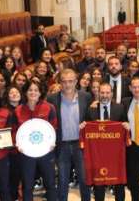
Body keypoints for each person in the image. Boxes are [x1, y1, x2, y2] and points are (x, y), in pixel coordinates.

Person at [47, 69, 92, 201]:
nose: (67, 85)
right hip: (62, 145)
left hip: (81, 144)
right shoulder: (52, 99)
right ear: (60, 82)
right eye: (64, 81)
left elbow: (91, 116)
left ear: (76, 82)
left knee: (84, 179)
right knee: (62, 180)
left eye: (71, 81)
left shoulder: (86, 97)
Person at [82, 82, 127, 201]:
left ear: (112, 94)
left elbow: (125, 125)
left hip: (115, 153)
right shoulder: (91, 109)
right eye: (102, 92)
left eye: (107, 92)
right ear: (98, 93)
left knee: (119, 183)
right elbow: (86, 128)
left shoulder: (120, 108)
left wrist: (126, 125)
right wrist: (83, 126)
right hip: (98, 154)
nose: (105, 95)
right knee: (98, 183)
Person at [14, 80, 58, 201]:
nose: (33, 92)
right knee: (27, 186)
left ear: (40, 92)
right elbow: (14, 131)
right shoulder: (18, 110)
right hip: (26, 154)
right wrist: (17, 145)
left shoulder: (49, 108)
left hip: (46, 152)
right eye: (30, 90)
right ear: (25, 92)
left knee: (50, 184)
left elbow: (54, 127)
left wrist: (52, 143)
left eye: (36, 90)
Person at [2, 86, 23, 201]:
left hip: (26, 149)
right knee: (13, 178)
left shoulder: (26, 108)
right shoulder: (3, 111)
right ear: (7, 96)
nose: (14, 94)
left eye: (17, 92)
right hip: (11, 150)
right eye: (11, 92)